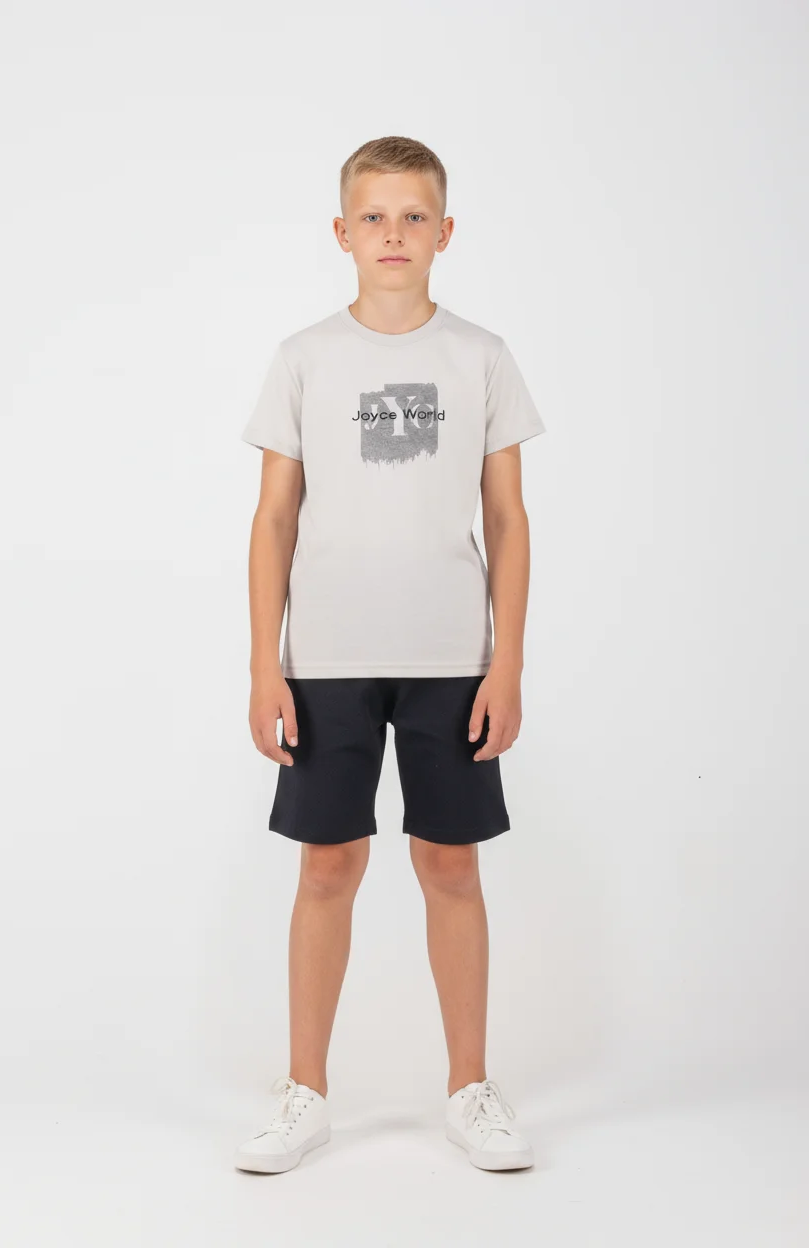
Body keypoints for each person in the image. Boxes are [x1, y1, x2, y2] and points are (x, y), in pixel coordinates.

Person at [234, 136, 546, 1174]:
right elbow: (274, 519)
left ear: (445, 231)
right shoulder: (304, 358)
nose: (394, 234)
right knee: (328, 864)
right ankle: (304, 1094)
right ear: (342, 232)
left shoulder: (480, 356)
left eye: (414, 216)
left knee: (449, 862)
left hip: (451, 656)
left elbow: (508, 517)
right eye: (374, 216)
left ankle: (470, 1089)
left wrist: (507, 662)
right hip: (325, 658)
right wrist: (264, 664)